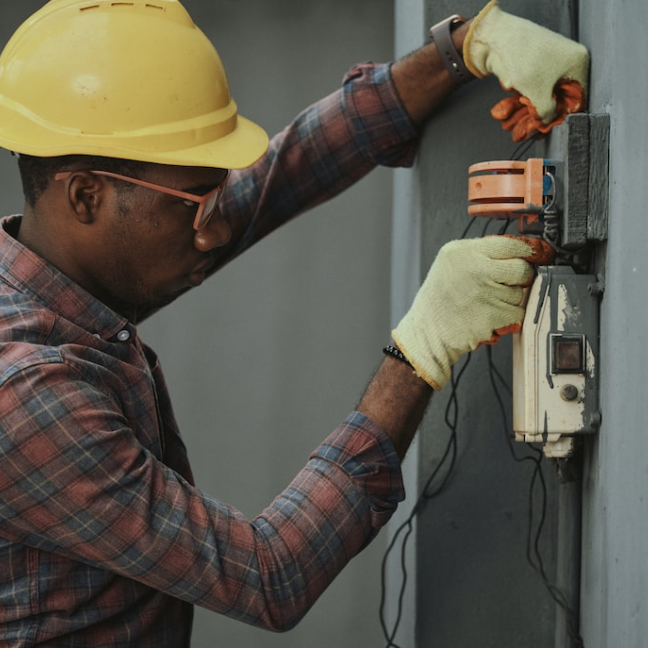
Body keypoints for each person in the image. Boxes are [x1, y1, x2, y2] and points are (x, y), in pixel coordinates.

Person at [0, 0, 588, 645]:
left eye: (217, 193)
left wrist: (464, 49)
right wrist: (421, 349)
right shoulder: (25, 394)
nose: (219, 227)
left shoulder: (59, 274)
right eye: (198, 206)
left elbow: (284, 172)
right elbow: (267, 575)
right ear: (86, 196)